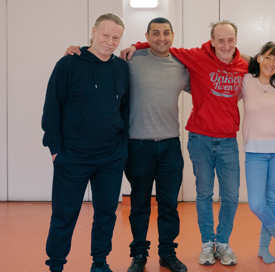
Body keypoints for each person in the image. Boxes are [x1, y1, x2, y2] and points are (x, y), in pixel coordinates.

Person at [65, 17, 190, 272]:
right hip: (137, 146)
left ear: (173, 35)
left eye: (166, 33)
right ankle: (139, 254)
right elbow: (101, 58)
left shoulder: (181, 65)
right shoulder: (130, 59)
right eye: (155, 33)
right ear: (147, 35)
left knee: (168, 204)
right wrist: (77, 50)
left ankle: (167, 252)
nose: (161, 38)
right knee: (140, 203)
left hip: (169, 146)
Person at [124, 21, 248, 266]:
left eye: (230, 40)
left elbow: (267, 65)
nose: (226, 44)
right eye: (220, 39)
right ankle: (145, 254)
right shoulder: (142, 58)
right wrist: (134, 45)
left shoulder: (239, 64)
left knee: (187, 202)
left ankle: (193, 249)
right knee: (149, 201)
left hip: (201, 141)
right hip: (166, 142)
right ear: (211, 40)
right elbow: (155, 46)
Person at [42, 13, 129, 272]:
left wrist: (121, 149)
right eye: (105, 35)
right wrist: (56, 150)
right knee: (64, 215)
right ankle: (56, 265)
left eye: (116, 37)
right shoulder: (68, 64)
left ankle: (100, 263)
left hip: (111, 158)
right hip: (73, 156)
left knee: (106, 214)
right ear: (93, 32)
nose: (110, 42)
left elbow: (125, 109)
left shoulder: (121, 68)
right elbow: (52, 107)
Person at [241, 41, 275, 264]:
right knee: (256, 203)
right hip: (254, 150)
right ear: (259, 57)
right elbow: (235, 56)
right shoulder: (246, 81)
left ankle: (264, 247)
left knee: (271, 199)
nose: (272, 63)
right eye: (268, 57)